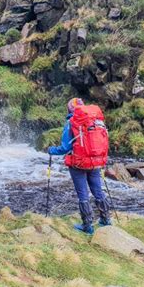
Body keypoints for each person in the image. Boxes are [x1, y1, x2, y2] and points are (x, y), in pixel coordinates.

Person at [48, 98, 111, 234]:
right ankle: (106, 219)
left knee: (83, 194)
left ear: (69, 109)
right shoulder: (95, 121)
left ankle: (87, 226)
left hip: (78, 163)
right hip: (95, 161)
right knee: (98, 190)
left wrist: (51, 150)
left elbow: (65, 147)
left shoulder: (71, 123)